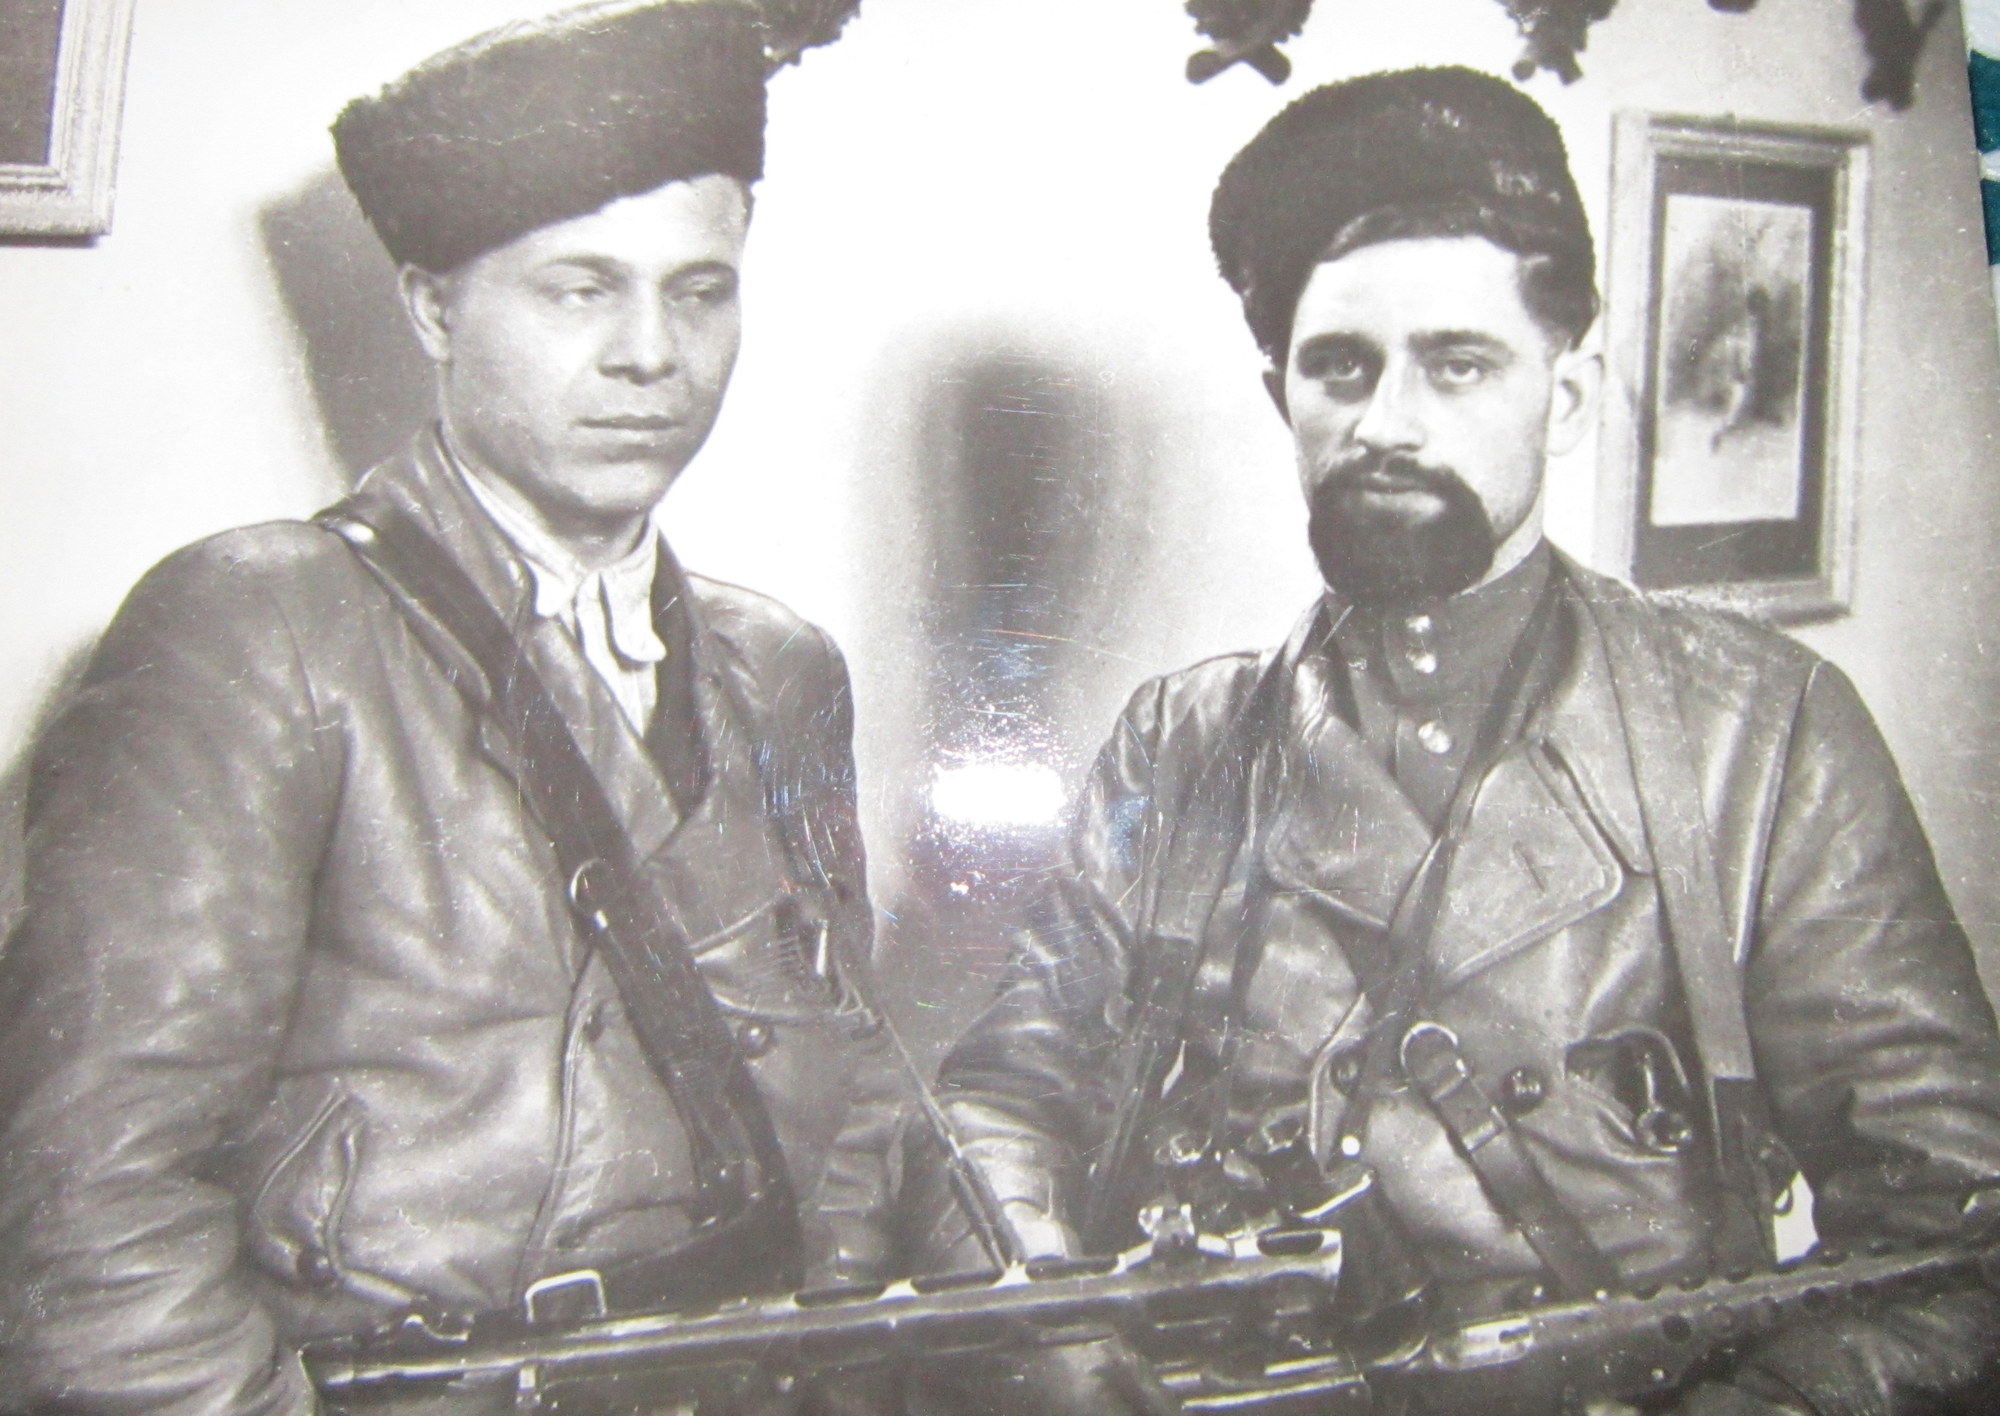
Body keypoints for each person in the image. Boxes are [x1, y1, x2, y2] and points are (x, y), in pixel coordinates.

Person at [906, 68, 2000, 1415]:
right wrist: (1059, 1337)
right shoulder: (1180, 745)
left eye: (1459, 364)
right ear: (1283, 396)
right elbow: (1000, 1100)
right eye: (1341, 368)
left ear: (1570, 395)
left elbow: (1956, 1241)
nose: (1387, 424)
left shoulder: (1761, 737)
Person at [0, 4, 898, 1413]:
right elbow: (88, 1208)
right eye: (579, 289)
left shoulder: (779, 668)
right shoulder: (257, 625)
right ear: (432, 308)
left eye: (701, 291)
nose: (651, 353)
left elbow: (848, 1118)